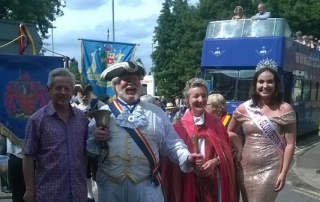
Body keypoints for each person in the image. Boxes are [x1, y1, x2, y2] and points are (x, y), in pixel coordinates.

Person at [86, 61, 201, 202]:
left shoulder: (157, 112)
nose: (131, 83)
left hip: (147, 186)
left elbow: (173, 144)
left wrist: (186, 157)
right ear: (115, 85)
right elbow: (88, 150)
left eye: (135, 80)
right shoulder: (103, 113)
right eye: (126, 79)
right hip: (111, 187)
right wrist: (96, 139)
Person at [227, 59, 296, 202]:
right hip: (245, 167)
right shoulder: (244, 109)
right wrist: (239, 147)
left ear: (276, 84)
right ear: (255, 84)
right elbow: (230, 131)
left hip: (271, 167)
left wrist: (284, 172)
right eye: (261, 82)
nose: (265, 86)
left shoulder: (285, 109)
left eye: (270, 82)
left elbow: (290, 144)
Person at [162, 78, 236, 202]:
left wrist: (215, 162)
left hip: (213, 182)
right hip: (187, 182)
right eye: (195, 96)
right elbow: (170, 158)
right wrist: (189, 162)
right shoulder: (178, 127)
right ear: (187, 100)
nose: (200, 100)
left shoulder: (217, 124)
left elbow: (227, 151)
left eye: (203, 96)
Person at [23, 68, 88, 202]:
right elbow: (28, 156)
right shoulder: (37, 120)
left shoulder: (81, 118)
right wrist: (29, 190)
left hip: (78, 193)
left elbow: (85, 153)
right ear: (49, 90)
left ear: (72, 91)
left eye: (67, 88)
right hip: (49, 194)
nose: (63, 92)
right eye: (58, 88)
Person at [71, 82, 105, 202]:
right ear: (78, 94)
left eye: (87, 94)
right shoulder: (73, 106)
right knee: (84, 171)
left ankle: (99, 194)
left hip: (95, 141)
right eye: (82, 94)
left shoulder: (98, 104)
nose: (85, 97)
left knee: (96, 168)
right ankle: (89, 196)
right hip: (78, 142)